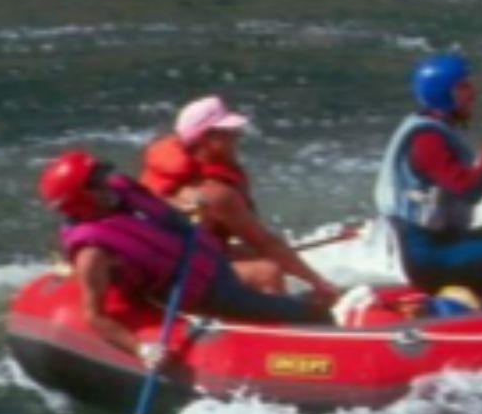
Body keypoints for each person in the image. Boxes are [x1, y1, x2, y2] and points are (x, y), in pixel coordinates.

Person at [38, 150, 326, 365]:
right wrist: (141, 349)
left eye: (101, 177)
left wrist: (186, 207)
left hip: (210, 265)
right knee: (307, 312)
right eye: (96, 183)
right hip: (201, 294)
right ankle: (308, 340)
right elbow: (95, 316)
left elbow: (162, 213)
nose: (106, 184)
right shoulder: (93, 254)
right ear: (80, 199)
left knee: (268, 274)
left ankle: (293, 325)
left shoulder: (121, 193)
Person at [138, 95, 343, 311]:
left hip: (168, 263)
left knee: (254, 254)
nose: (237, 137)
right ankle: (276, 326)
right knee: (267, 271)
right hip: (173, 277)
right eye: (227, 134)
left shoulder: (170, 174)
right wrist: (319, 283)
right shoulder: (216, 193)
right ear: (205, 139)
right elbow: (267, 243)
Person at [375, 53, 482, 295]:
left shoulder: (437, 129)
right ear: (443, 93)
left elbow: (451, 184)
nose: (473, 93)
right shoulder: (427, 140)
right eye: (463, 87)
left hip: (446, 243)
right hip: (430, 255)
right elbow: (469, 190)